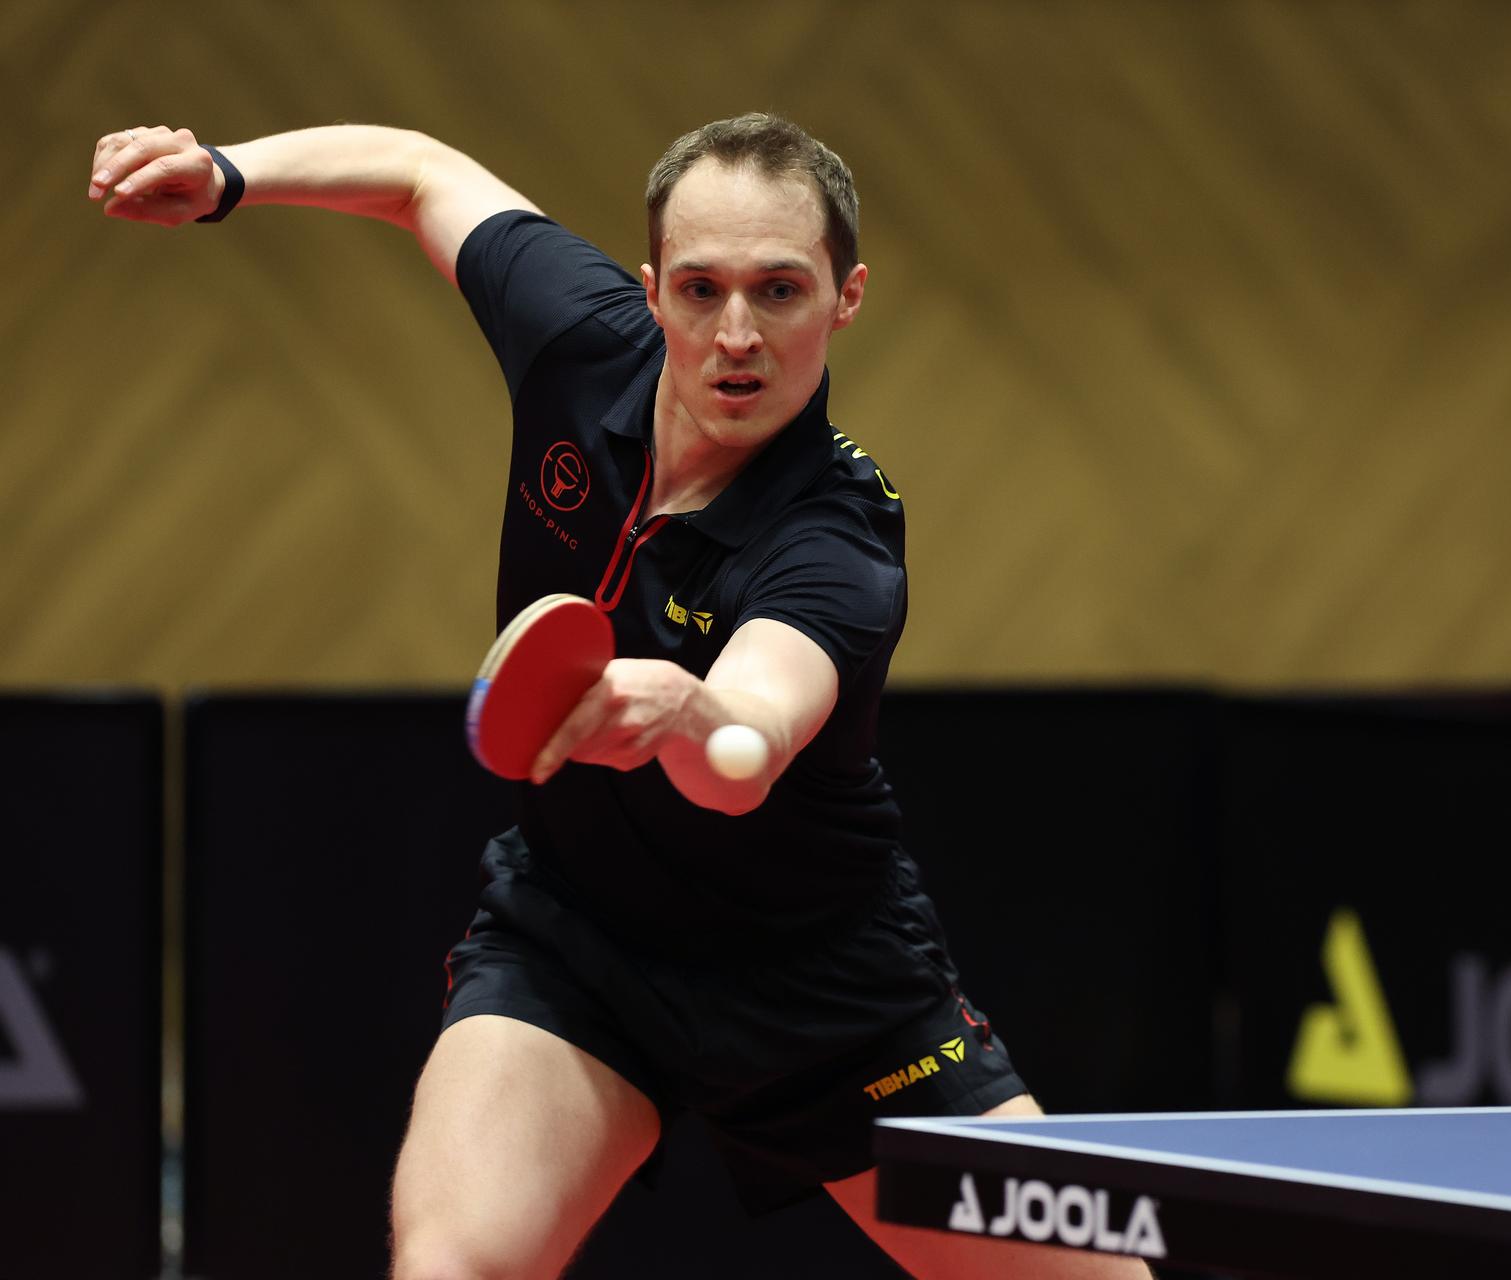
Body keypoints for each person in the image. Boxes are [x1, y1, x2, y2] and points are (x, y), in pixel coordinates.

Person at [88, 117, 1155, 1279]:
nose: (735, 334)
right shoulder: (578, 339)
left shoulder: (839, 541)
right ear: (650, 291)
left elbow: (751, 735)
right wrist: (228, 176)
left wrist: (695, 717)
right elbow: (418, 175)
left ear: (845, 298)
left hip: (828, 989)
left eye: (779, 290)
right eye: (700, 288)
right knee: (454, 1261)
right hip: (578, 939)